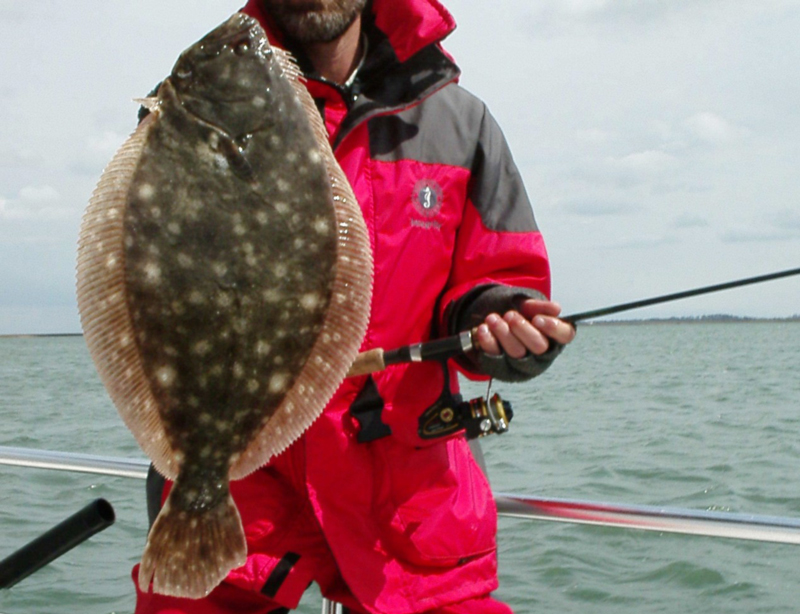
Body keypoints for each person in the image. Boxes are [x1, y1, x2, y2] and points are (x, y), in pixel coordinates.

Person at [134, 0, 576, 612]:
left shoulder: (459, 124)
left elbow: (498, 273)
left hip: (408, 498)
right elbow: (157, 271)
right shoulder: (204, 100)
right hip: (244, 490)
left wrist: (501, 322)